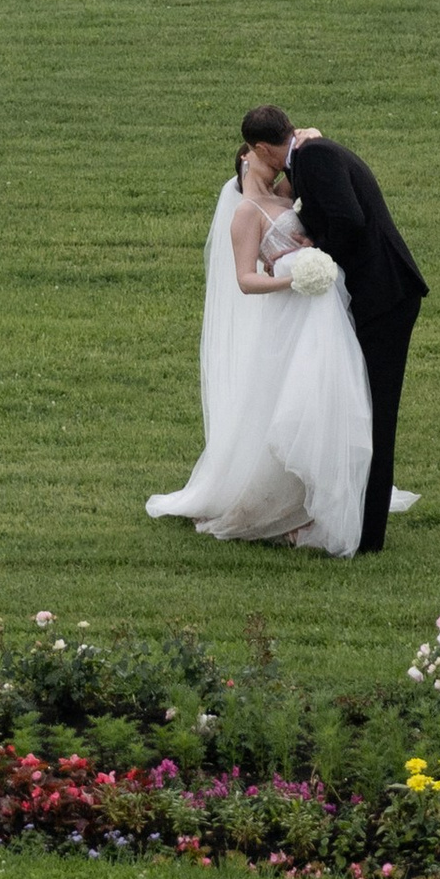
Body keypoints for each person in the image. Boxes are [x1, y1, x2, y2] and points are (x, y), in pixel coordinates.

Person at [145, 120, 375, 555]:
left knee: (331, 395)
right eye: (265, 160)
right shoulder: (246, 213)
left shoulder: (285, 195)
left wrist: (310, 136)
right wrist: (293, 280)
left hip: (321, 313)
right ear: (249, 156)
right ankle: (282, 505)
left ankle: (322, 497)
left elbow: (307, 163)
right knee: (290, 403)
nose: (276, 171)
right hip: (291, 312)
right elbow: (246, 280)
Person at [264, 111, 427, 554]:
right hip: (380, 297)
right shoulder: (314, 153)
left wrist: (318, 251)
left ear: (263, 149)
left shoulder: (313, 156)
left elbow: (350, 220)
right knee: (365, 408)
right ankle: (358, 521)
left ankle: (368, 535)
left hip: (385, 298)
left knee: (377, 414)